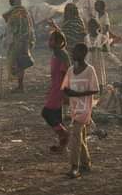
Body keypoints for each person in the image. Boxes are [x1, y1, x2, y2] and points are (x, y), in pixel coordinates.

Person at [62, 43, 99, 178]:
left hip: (85, 108)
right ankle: (86, 163)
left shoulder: (90, 70)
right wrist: (68, 93)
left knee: (75, 135)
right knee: (80, 135)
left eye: (75, 52)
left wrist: (78, 94)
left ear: (83, 54)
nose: (73, 54)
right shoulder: (71, 70)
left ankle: (74, 167)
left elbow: (95, 89)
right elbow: (65, 87)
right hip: (74, 107)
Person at [41, 30, 71, 153]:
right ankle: (62, 146)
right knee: (57, 116)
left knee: (47, 113)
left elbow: (66, 74)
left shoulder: (61, 55)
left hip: (59, 89)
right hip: (55, 87)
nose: (49, 42)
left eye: (52, 40)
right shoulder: (56, 54)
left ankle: (64, 134)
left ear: (59, 42)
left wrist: (65, 92)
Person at [3, 0, 35, 92]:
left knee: (17, 62)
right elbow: (30, 26)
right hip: (25, 40)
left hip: (17, 41)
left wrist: (7, 40)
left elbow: (12, 28)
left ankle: (20, 86)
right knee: (21, 63)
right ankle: (20, 85)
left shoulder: (15, 12)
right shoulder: (24, 11)